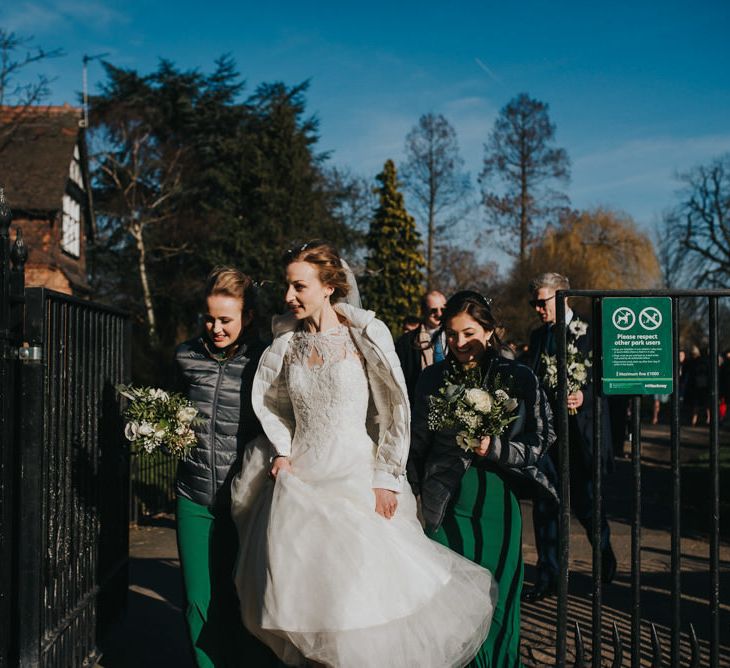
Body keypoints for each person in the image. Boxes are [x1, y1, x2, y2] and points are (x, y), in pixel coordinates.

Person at [230, 241, 495, 667]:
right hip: (300, 484)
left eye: (299, 286)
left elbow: (395, 409)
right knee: (308, 606)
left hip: (357, 478)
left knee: (359, 605)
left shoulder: (365, 335)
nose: (288, 296)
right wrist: (281, 449)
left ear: (329, 286)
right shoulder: (284, 345)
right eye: (287, 286)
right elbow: (271, 404)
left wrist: (387, 478)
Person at [408, 290, 555, 667]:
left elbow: (541, 440)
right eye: (452, 334)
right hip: (445, 502)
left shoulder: (517, 376)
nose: (459, 343)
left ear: (489, 331)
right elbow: (415, 445)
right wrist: (409, 495)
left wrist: (496, 448)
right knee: (448, 603)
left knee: (498, 598)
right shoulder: (431, 379)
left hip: (496, 503)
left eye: (469, 333)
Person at [174, 267, 276, 667]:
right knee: (198, 600)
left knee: (245, 599)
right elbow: (177, 409)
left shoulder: (265, 360)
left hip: (246, 501)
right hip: (193, 496)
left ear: (247, 317)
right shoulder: (185, 356)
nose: (215, 327)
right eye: (210, 318)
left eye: (226, 320)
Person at [522, 272, 616, 603]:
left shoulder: (590, 333)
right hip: (547, 436)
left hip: (583, 434)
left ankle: (604, 561)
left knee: (588, 505)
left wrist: (585, 397)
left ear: (564, 297)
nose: (537, 309)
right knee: (546, 505)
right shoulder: (537, 337)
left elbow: (609, 379)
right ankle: (548, 576)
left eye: (542, 301)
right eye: (533, 303)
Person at [395, 290, 448, 402]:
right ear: (424, 311)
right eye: (433, 310)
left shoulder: (456, 336)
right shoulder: (407, 342)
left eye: (443, 309)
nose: (439, 314)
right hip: (420, 401)